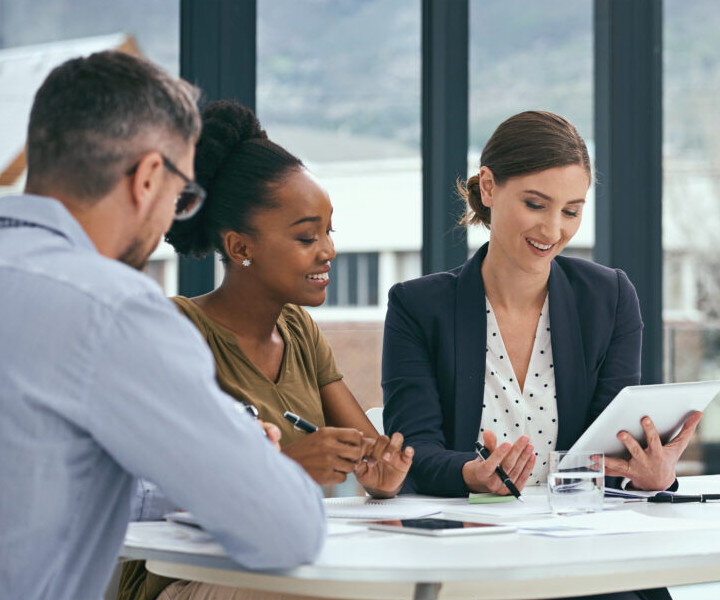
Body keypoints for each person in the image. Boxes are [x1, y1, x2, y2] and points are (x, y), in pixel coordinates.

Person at [0, 51, 325, 600]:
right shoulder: (113, 308)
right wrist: (246, 459)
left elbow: (35, 482)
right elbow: (289, 531)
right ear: (150, 177)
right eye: (182, 197)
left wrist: (197, 467)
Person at [381, 111, 702, 600]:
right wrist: (471, 474)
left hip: (585, 557)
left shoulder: (609, 297)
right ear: (488, 187)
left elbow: (610, 447)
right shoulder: (418, 307)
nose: (553, 229)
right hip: (471, 555)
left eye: (572, 211)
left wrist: (651, 476)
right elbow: (415, 451)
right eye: (536, 204)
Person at [118, 100, 413, 600]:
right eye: (306, 235)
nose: (328, 250)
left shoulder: (299, 331)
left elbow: (369, 455)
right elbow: (157, 493)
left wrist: (382, 476)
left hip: (287, 568)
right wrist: (290, 465)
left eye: (328, 231)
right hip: (188, 578)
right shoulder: (176, 331)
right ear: (240, 248)